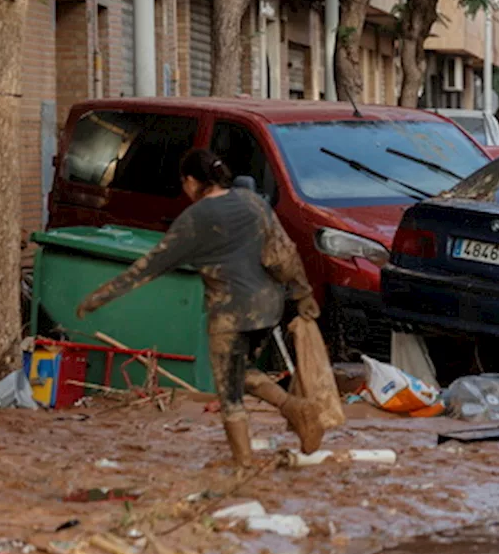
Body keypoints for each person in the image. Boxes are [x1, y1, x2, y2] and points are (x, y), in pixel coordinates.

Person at [77, 149, 325, 467]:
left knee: (229, 394)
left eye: (185, 183)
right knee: (242, 372)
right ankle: (294, 408)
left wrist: (99, 296)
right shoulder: (252, 202)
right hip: (268, 308)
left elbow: (148, 267)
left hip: (230, 315)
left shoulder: (194, 220)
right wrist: (303, 294)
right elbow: (283, 253)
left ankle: (244, 463)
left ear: (193, 182)